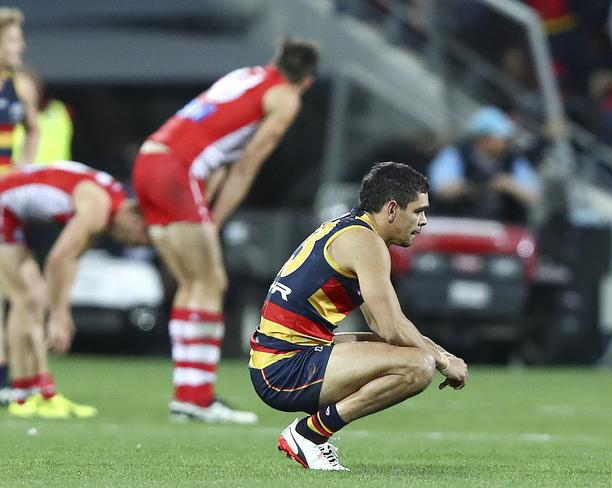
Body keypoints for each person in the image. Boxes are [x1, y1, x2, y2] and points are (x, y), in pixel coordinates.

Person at [132, 37, 319, 424]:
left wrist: (206, 214)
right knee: (211, 280)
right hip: (178, 171)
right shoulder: (286, 97)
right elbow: (248, 163)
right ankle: (197, 398)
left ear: (275, 59)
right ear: (308, 81)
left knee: (191, 282)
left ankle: (188, 396)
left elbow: (217, 154)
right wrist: (213, 223)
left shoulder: (246, 76)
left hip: (151, 160)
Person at [249, 162, 468, 471]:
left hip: (286, 356)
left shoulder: (351, 229)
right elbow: (392, 328)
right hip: (283, 369)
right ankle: (310, 435)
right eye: (418, 211)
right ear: (392, 208)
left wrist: (442, 352)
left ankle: (310, 436)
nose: (424, 221)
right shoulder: (366, 243)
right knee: (419, 366)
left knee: (410, 354)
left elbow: (382, 325)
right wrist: (445, 362)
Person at [0, 160, 148, 418]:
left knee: (31, 299)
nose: (136, 244)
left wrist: (62, 309)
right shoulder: (99, 208)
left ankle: (38, 393)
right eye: (143, 235)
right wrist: (57, 316)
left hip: (11, 211)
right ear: (134, 215)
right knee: (26, 298)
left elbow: (72, 258)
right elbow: (57, 259)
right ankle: (24, 397)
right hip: (4, 206)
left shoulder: (108, 203)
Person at [0, 7, 40, 404]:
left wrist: (20, 170)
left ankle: (10, 380)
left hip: (5, 201)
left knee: (15, 289)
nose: (21, 46)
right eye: (13, 39)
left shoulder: (18, 85)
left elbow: (34, 127)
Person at [427, 106, 540, 224]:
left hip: (501, 227)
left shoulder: (513, 160)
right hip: (456, 225)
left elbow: (533, 196)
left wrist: (508, 185)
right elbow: (442, 188)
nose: (505, 143)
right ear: (484, 139)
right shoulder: (455, 154)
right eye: (501, 139)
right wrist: (475, 186)